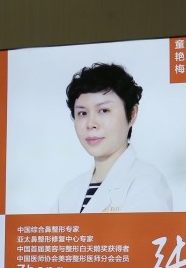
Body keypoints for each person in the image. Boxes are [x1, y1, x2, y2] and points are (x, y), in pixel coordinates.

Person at [54, 63, 172, 214]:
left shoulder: (147, 184)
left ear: (132, 113)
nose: (91, 124)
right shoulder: (70, 191)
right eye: (82, 113)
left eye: (104, 110)